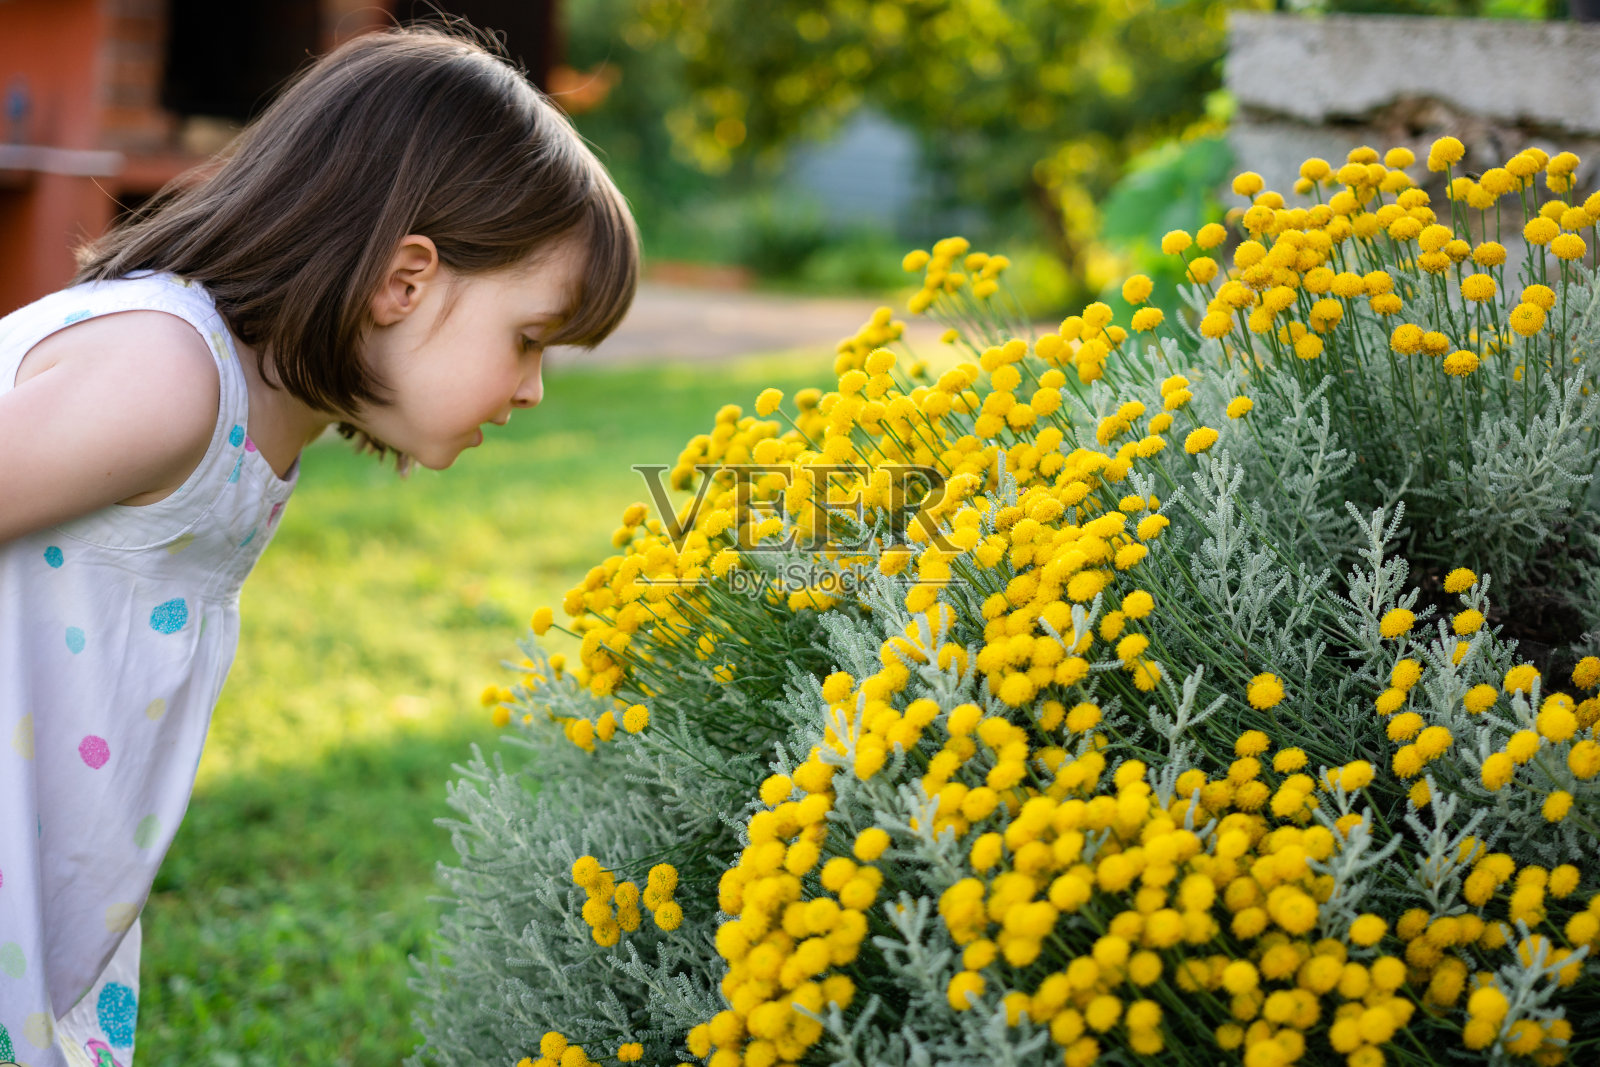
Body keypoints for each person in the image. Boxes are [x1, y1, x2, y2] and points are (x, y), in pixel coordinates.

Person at [0, 24, 638, 1066]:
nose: (530, 388)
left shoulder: (247, 417)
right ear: (405, 280)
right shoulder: (168, 377)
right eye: (528, 339)